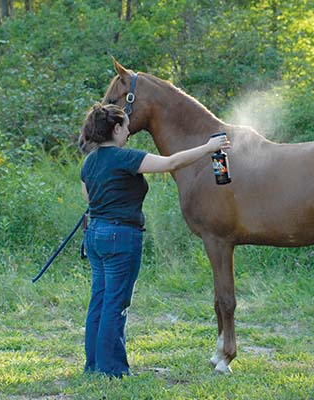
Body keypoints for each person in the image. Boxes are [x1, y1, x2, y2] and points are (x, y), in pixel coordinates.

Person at [79, 103, 230, 378]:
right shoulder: (125, 158)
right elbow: (170, 163)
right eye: (125, 127)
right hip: (121, 236)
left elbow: (89, 200)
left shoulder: (89, 162)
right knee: (116, 303)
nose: (128, 133)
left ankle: (93, 366)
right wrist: (208, 149)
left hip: (95, 235)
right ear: (115, 129)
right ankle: (112, 370)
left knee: (99, 301)